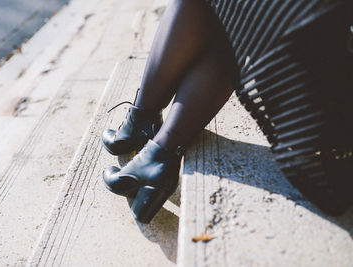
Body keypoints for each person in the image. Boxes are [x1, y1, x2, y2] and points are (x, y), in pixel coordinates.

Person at [101, 0, 353, 223]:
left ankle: (145, 128)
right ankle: (155, 148)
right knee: (235, 15)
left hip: (333, 128)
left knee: (230, 13)